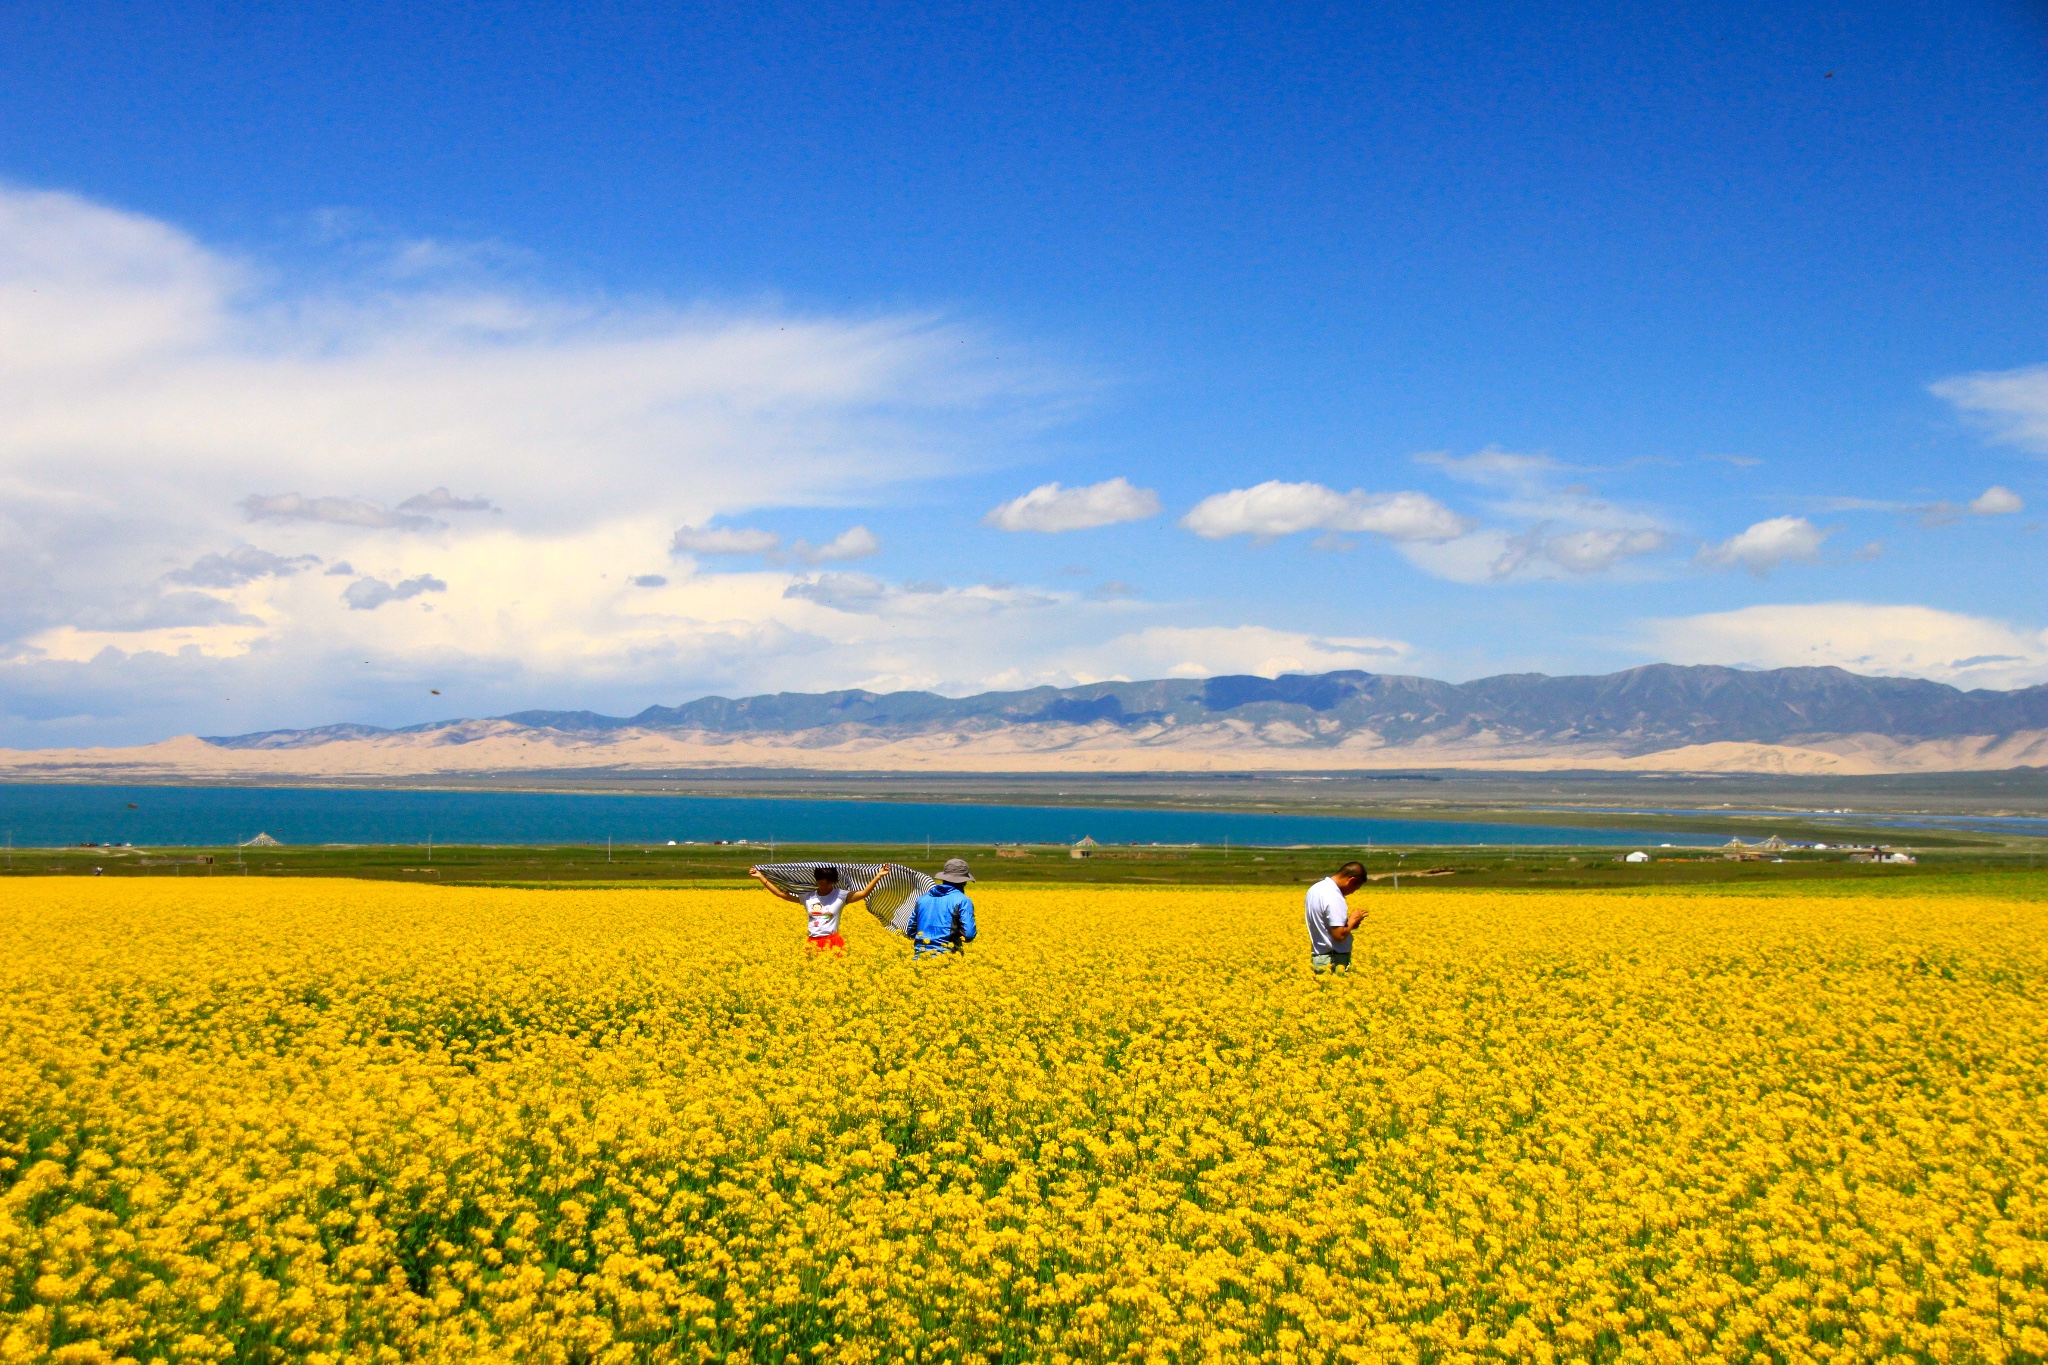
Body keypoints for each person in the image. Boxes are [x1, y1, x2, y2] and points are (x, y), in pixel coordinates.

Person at [748, 863, 892, 952]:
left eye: (828, 883)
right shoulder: (808, 897)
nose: (824, 886)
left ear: (833, 882)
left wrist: (879, 876)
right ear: (816, 881)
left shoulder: (841, 896)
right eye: (821, 883)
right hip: (812, 942)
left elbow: (864, 893)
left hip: (833, 942)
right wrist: (761, 877)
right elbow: (781, 894)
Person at [1305, 861, 1368, 974]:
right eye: (1355, 888)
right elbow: (1339, 935)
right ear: (1351, 880)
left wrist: (1350, 925)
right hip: (1333, 960)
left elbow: (1325, 926)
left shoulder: (1315, 889)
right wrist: (1353, 919)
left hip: (1319, 957)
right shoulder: (1334, 896)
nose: (1352, 892)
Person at [907, 857, 977, 958]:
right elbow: (969, 934)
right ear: (964, 882)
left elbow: (911, 931)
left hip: (920, 959)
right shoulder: (963, 900)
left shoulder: (922, 899)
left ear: (944, 879)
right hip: (948, 959)